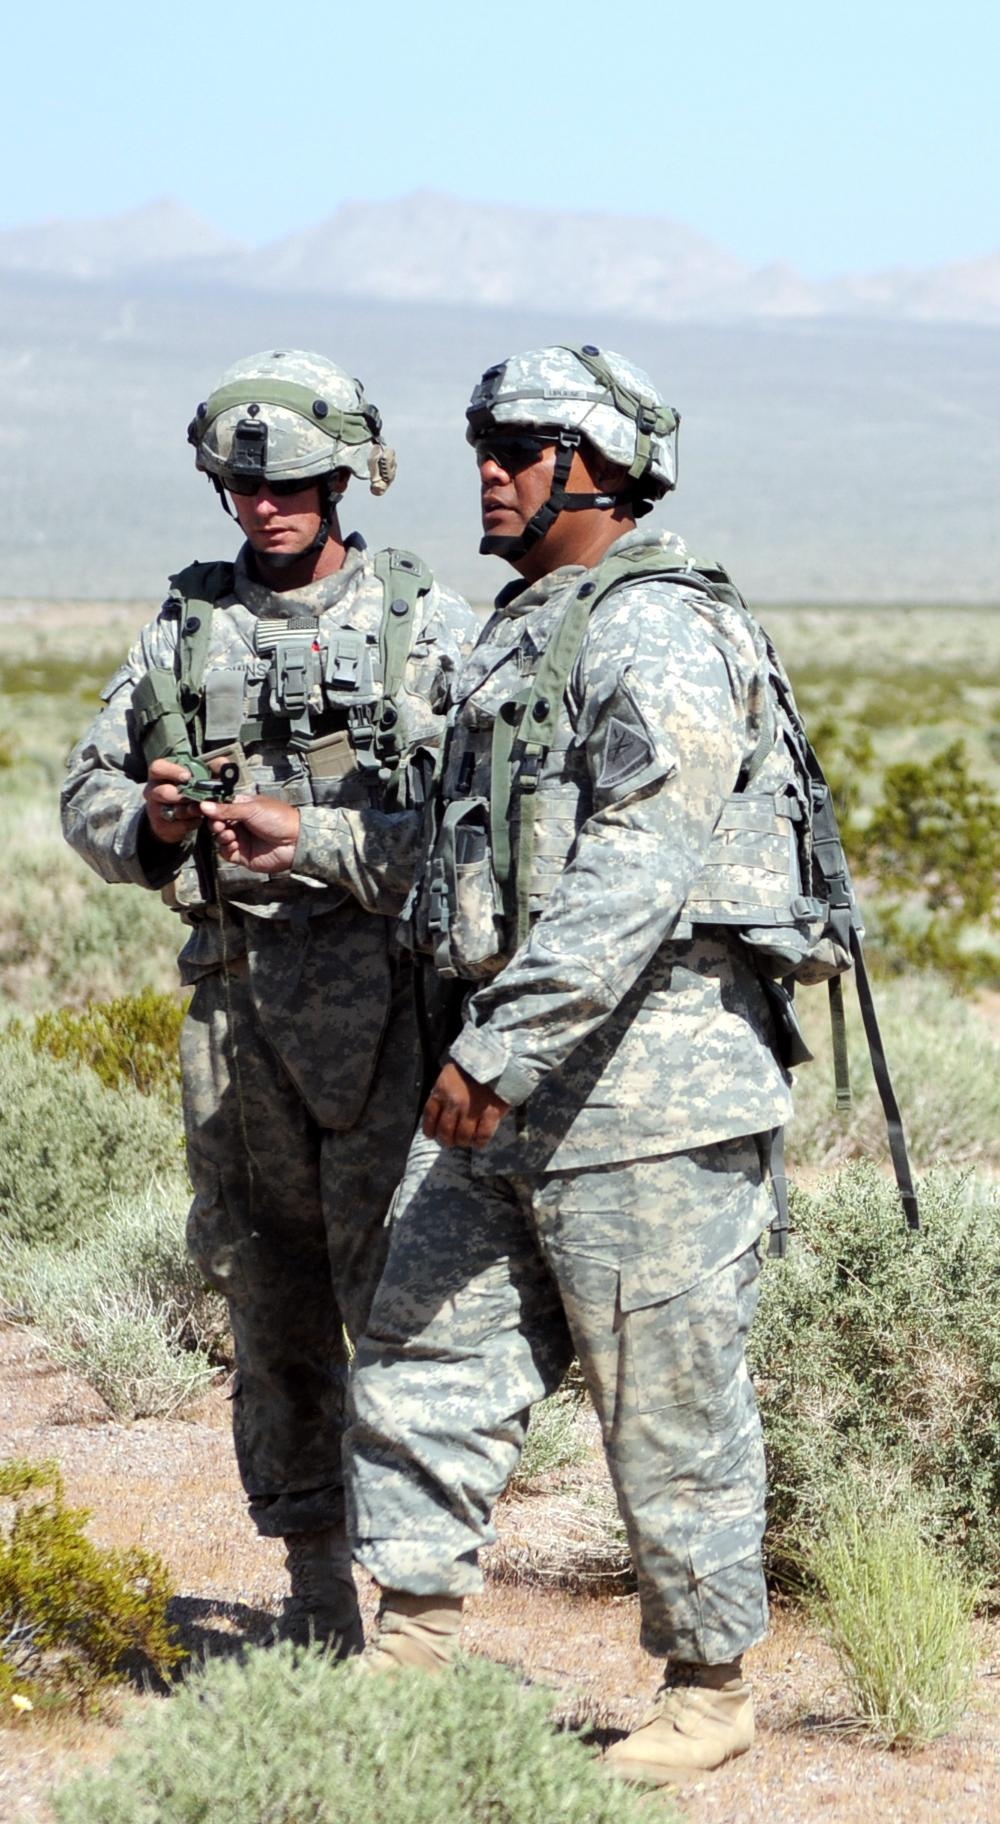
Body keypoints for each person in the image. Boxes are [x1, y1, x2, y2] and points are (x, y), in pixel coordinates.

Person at [204, 344, 796, 1786]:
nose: (490, 463)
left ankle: (708, 1692)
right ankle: (410, 1660)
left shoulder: (653, 633)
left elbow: (633, 875)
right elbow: (476, 862)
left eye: (522, 444)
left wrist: (503, 1048)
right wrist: (317, 837)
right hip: (511, 1091)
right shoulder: (528, 633)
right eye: (484, 437)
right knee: (418, 1355)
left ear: (597, 468)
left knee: (663, 1397)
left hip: (647, 1094)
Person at [61, 349, 479, 1655]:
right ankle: (312, 1589)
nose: (268, 505)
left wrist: (328, 841)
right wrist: (157, 817)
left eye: (296, 481)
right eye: (243, 485)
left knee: (407, 1315)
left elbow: (486, 832)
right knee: (269, 1302)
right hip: (237, 1022)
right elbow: (86, 795)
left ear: (348, 474)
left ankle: (419, 1617)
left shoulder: (429, 627)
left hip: (396, 1018)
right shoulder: (181, 632)